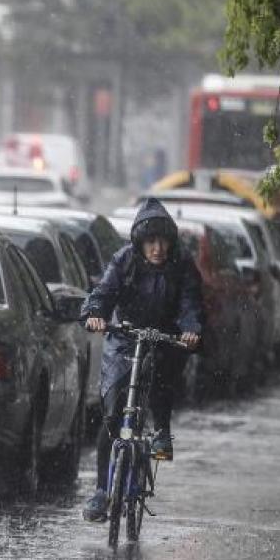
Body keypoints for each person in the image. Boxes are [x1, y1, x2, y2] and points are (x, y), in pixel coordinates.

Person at [79, 198, 203, 522]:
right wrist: (95, 314)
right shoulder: (124, 260)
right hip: (124, 338)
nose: (157, 248)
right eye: (151, 241)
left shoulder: (182, 265)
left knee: (163, 380)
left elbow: (191, 303)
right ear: (140, 242)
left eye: (162, 241)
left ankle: (161, 430)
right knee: (112, 413)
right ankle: (102, 492)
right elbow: (104, 293)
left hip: (164, 338)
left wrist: (189, 330)